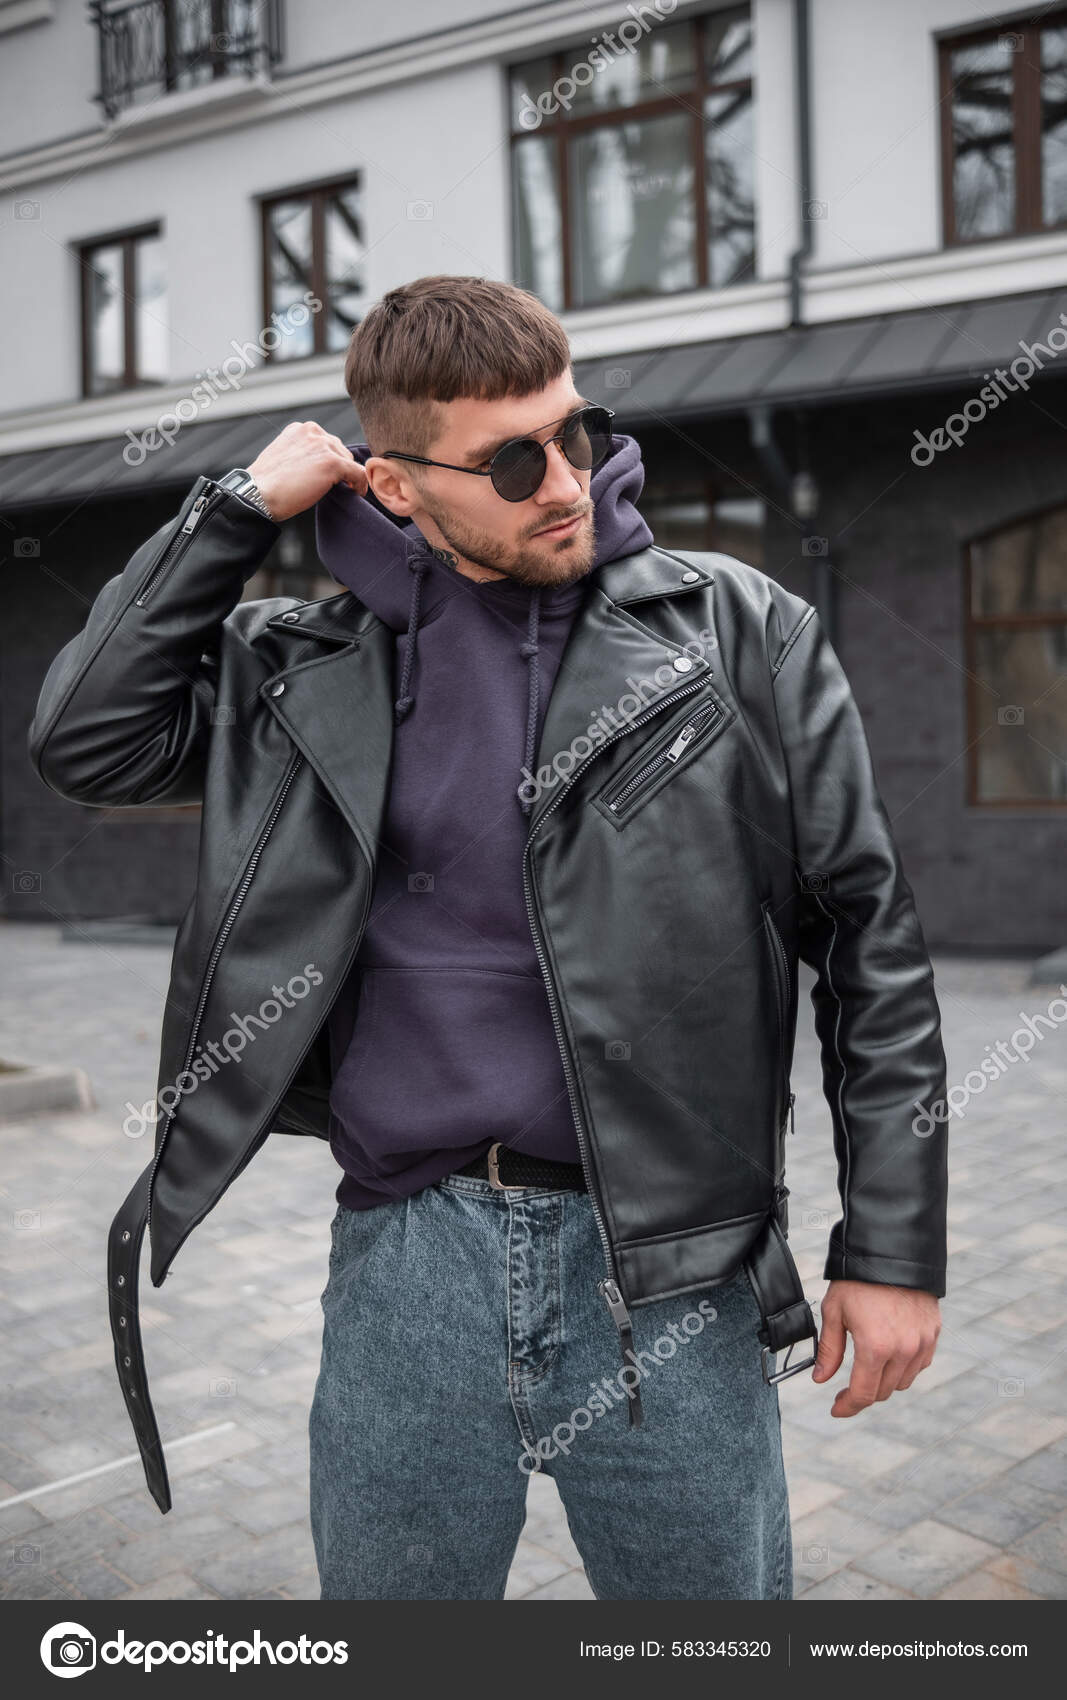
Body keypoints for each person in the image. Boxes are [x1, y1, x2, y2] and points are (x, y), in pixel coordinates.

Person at [28, 275, 947, 1601]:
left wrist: (893, 1249)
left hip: (676, 1276)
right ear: (394, 486)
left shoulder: (739, 635)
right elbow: (84, 738)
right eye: (510, 460)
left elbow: (871, 944)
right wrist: (230, 514)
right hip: (410, 1262)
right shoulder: (300, 664)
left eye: (576, 430)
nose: (564, 479)